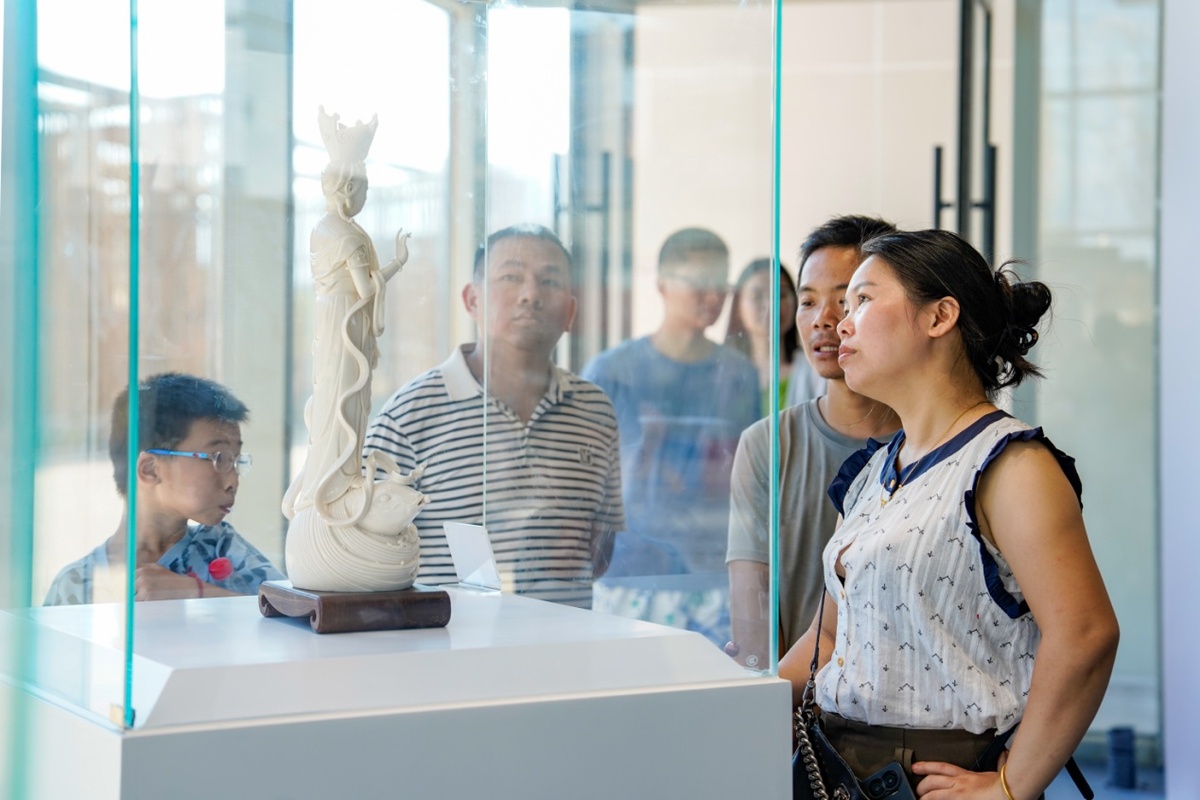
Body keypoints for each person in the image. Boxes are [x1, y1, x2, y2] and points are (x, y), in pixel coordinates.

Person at [780, 229, 1119, 798]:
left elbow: (1086, 635)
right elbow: (830, 637)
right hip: (835, 767)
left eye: (862, 300)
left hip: (935, 775)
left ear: (939, 316)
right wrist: (737, 698)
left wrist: (1010, 787)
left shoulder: (1010, 465)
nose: (841, 324)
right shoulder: (871, 471)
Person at [363, 224, 624, 608]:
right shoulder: (411, 413)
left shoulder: (594, 410)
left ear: (570, 312)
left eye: (550, 281)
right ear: (472, 300)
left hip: (568, 637)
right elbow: (365, 551)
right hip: (450, 638)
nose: (530, 294)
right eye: (511, 277)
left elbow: (603, 553)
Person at [725, 216, 899, 670]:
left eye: (848, 300)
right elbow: (754, 630)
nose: (823, 319)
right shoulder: (767, 444)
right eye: (807, 301)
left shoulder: (931, 443)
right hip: (794, 702)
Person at [583, 227, 760, 577]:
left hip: (714, 564)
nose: (713, 296)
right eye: (700, 282)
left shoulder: (738, 374)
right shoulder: (611, 372)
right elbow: (588, 483)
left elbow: (747, 478)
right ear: (662, 284)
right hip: (627, 567)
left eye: (721, 283)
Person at [44, 373, 284, 605]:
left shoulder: (222, 547)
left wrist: (196, 592)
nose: (233, 480)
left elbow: (291, 609)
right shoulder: (77, 585)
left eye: (236, 459)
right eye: (218, 458)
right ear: (150, 469)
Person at [724, 257, 821, 414]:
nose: (771, 305)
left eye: (781, 295)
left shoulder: (815, 370)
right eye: (757, 296)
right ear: (738, 306)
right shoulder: (723, 371)